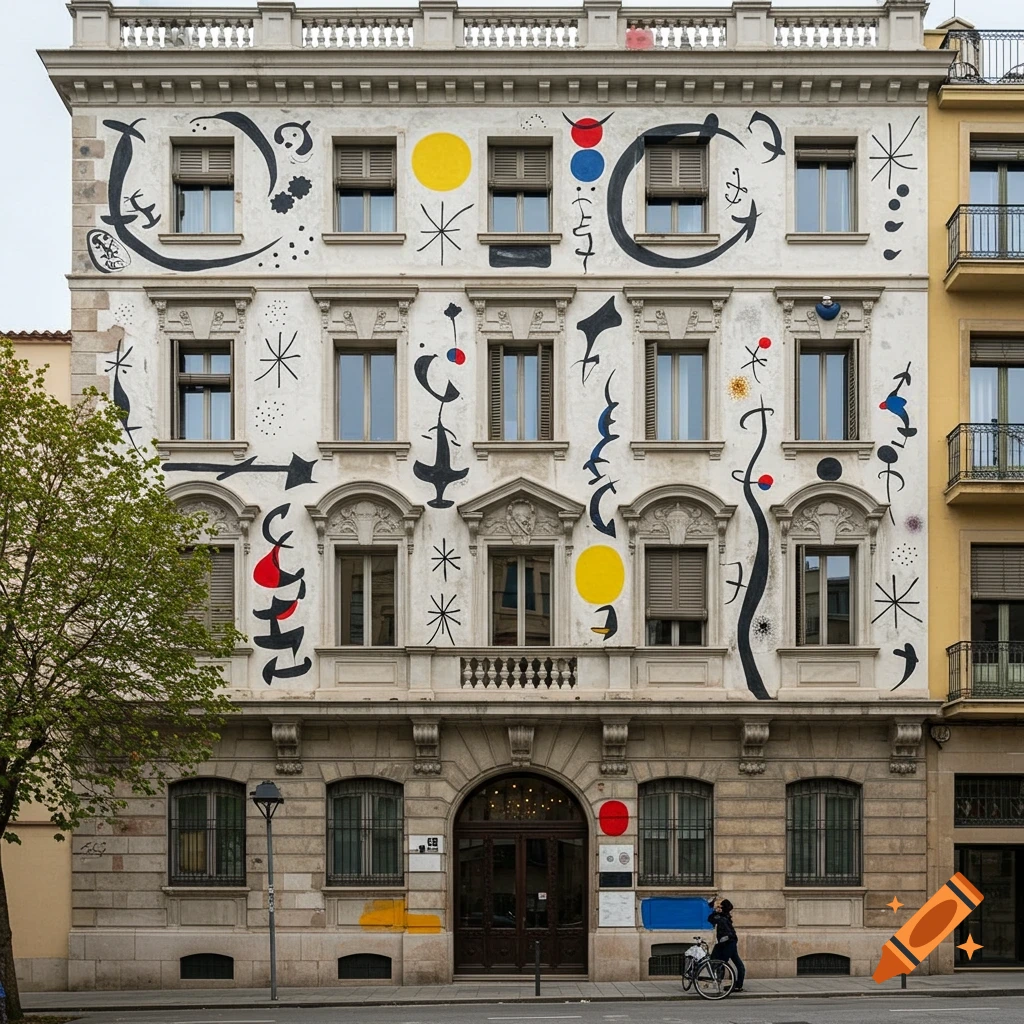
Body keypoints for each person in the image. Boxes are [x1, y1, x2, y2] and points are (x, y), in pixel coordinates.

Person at [707, 897, 746, 992]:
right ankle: (737, 984)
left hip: (728, 943)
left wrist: (715, 911)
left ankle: (729, 983)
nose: (719, 907)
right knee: (736, 964)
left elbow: (710, 919)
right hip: (728, 942)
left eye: (721, 906)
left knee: (721, 962)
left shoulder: (721, 917)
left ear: (723, 908)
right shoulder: (725, 915)